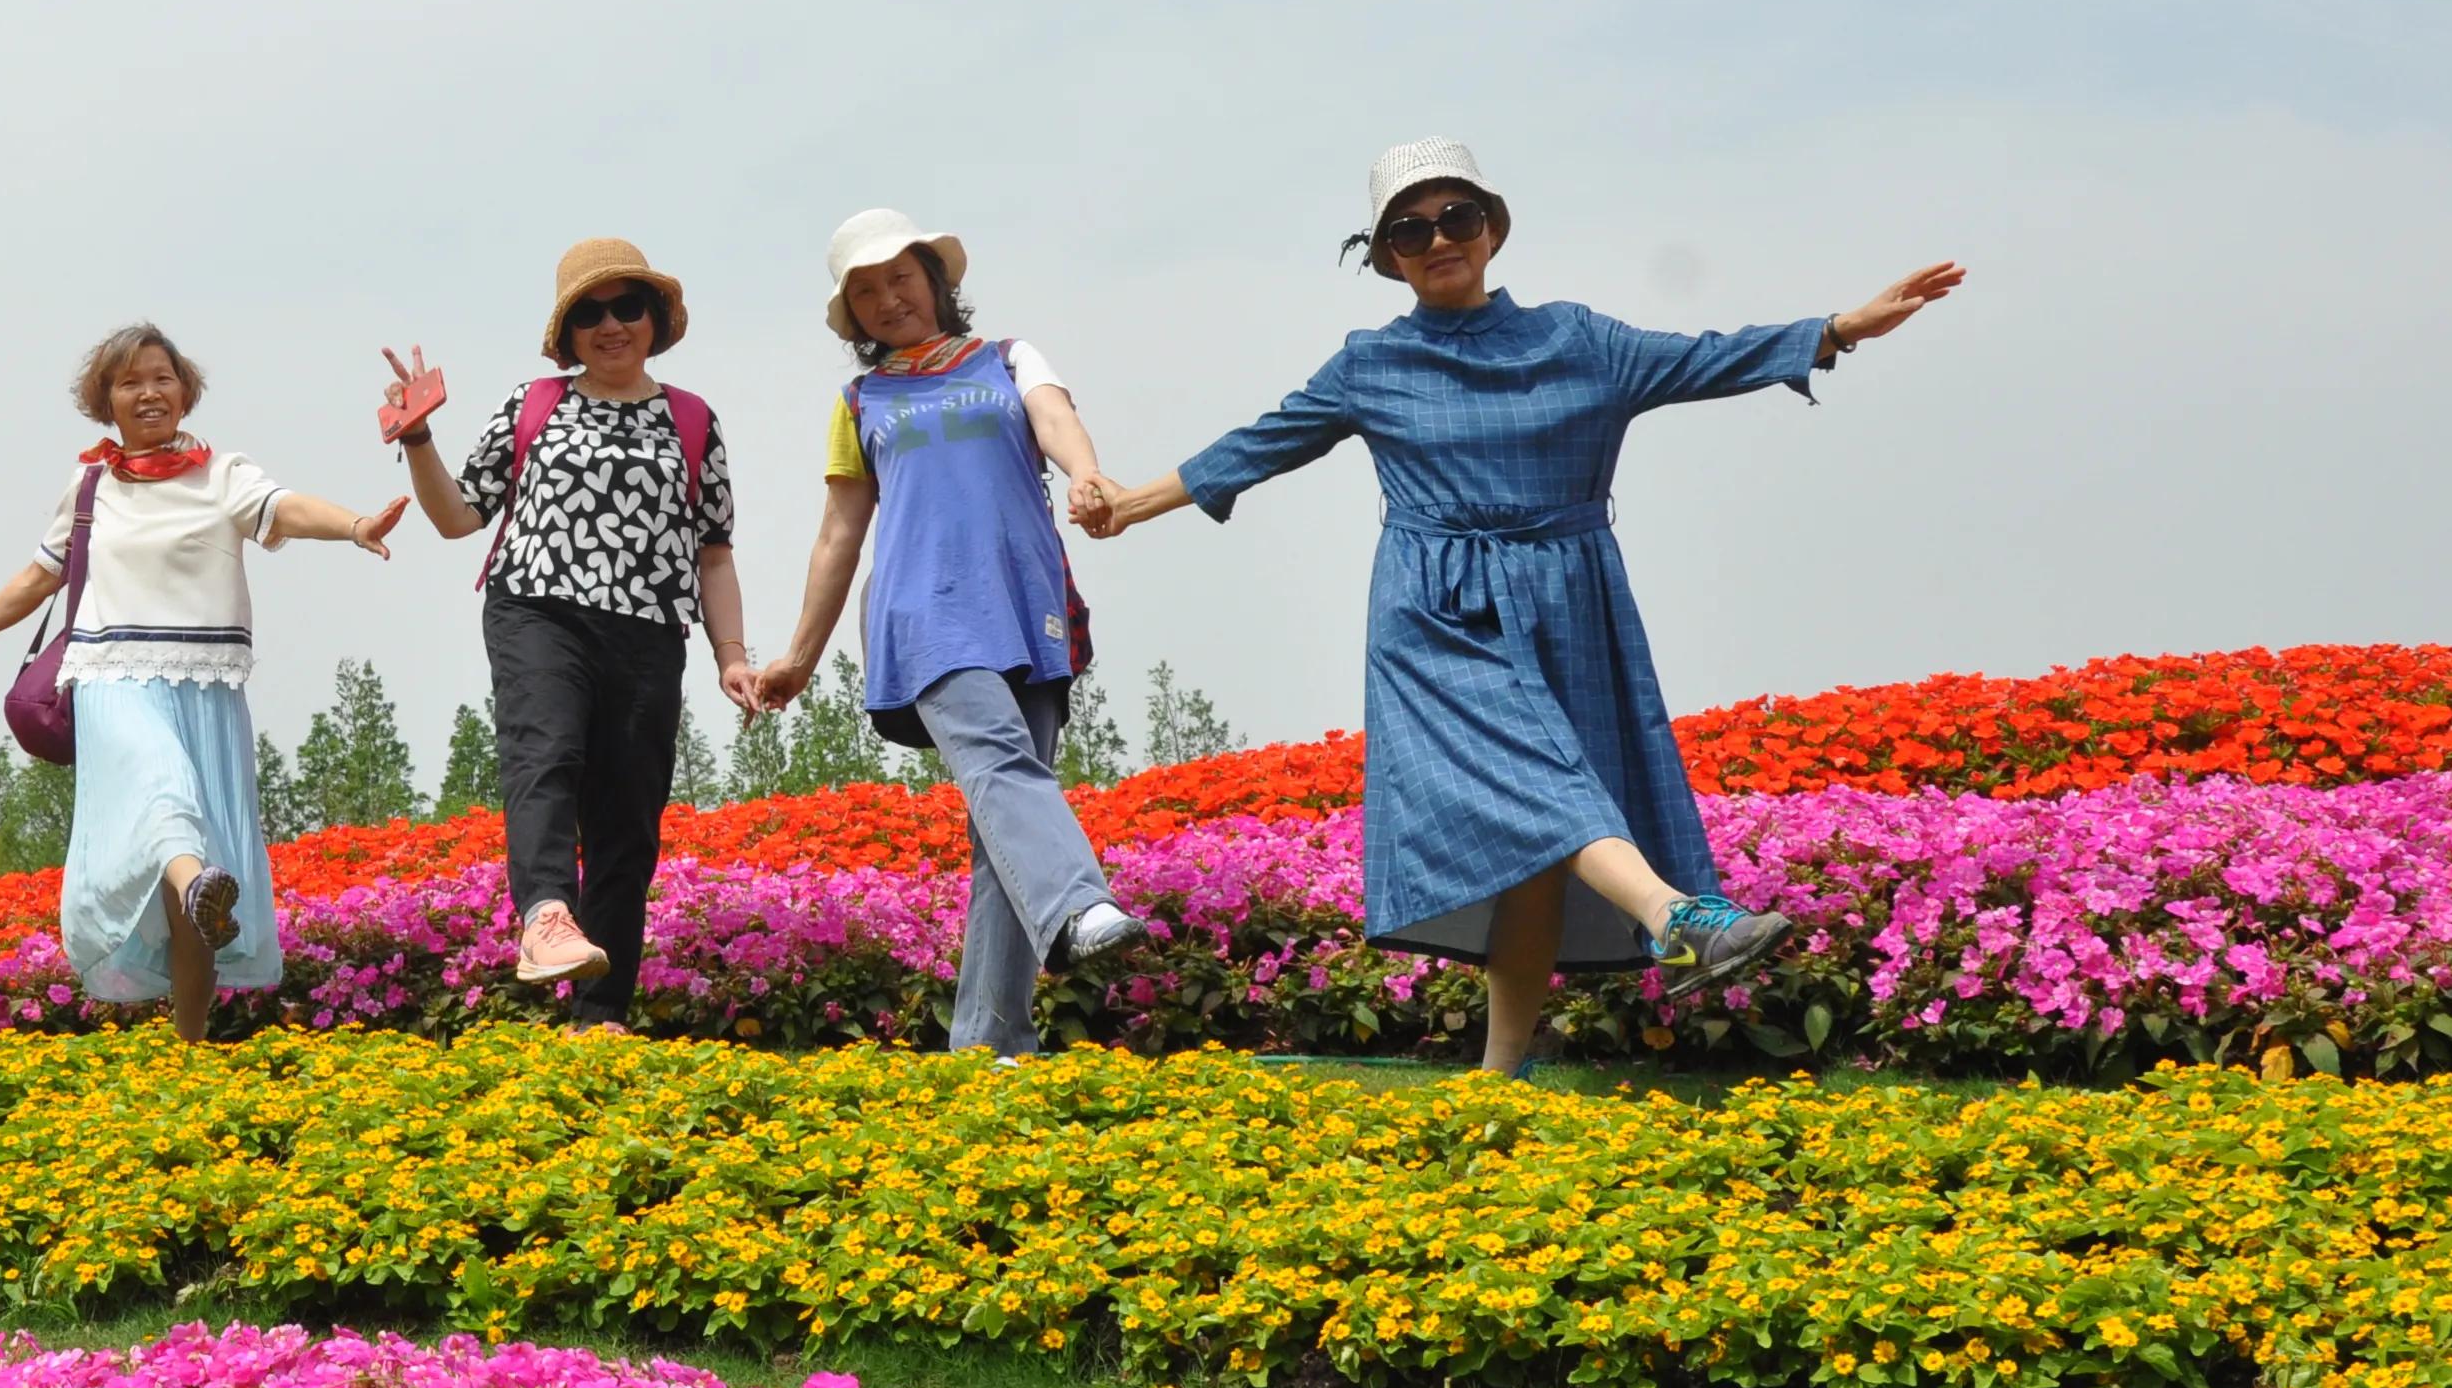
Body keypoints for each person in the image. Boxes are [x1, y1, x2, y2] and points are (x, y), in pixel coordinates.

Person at [1079, 137, 1964, 1076]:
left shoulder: (1578, 340)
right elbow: (1260, 445)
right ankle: (1676, 914)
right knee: (1542, 784)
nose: (1437, 240)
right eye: (1410, 231)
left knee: (1542, 829)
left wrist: (1839, 328)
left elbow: (1706, 357)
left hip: (1570, 596)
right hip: (1435, 611)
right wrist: (1130, 505)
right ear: (1386, 258)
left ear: (1492, 230)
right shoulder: (1370, 364)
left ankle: (1502, 1074)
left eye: (1456, 218)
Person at [0, 324, 405, 1044]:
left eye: (162, 378)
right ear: (105, 401)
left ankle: (191, 1049)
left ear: (185, 391)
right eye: (130, 381)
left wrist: (356, 525)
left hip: (207, 687)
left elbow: (286, 509)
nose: (149, 392)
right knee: (161, 789)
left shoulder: (223, 474)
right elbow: (36, 577)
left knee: (198, 869)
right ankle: (198, 885)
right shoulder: (89, 485)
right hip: (112, 674)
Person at [747, 211, 1147, 1061]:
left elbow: (1054, 419)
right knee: (1004, 763)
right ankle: (1078, 904)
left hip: (1024, 599)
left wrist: (1086, 475)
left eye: (901, 277)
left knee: (1006, 819)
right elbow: (839, 533)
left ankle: (989, 1047)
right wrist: (800, 657)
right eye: (865, 290)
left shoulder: (1008, 358)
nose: (888, 298)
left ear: (935, 280)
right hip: (922, 610)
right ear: (851, 315)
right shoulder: (860, 402)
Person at [381, 237, 754, 1023]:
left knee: (628, 816)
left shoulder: (693, 420)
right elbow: (458, 517)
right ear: (567, 331)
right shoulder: (533, 404)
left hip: (650, 629)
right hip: (537, 609)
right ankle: (546, 914)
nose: (610, 325)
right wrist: (417, 438)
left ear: (654, 319)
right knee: (545, 751)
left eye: (628, 307)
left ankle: (601, 1014)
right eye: (590, 312)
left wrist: (732, 655)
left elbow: (713, 553)